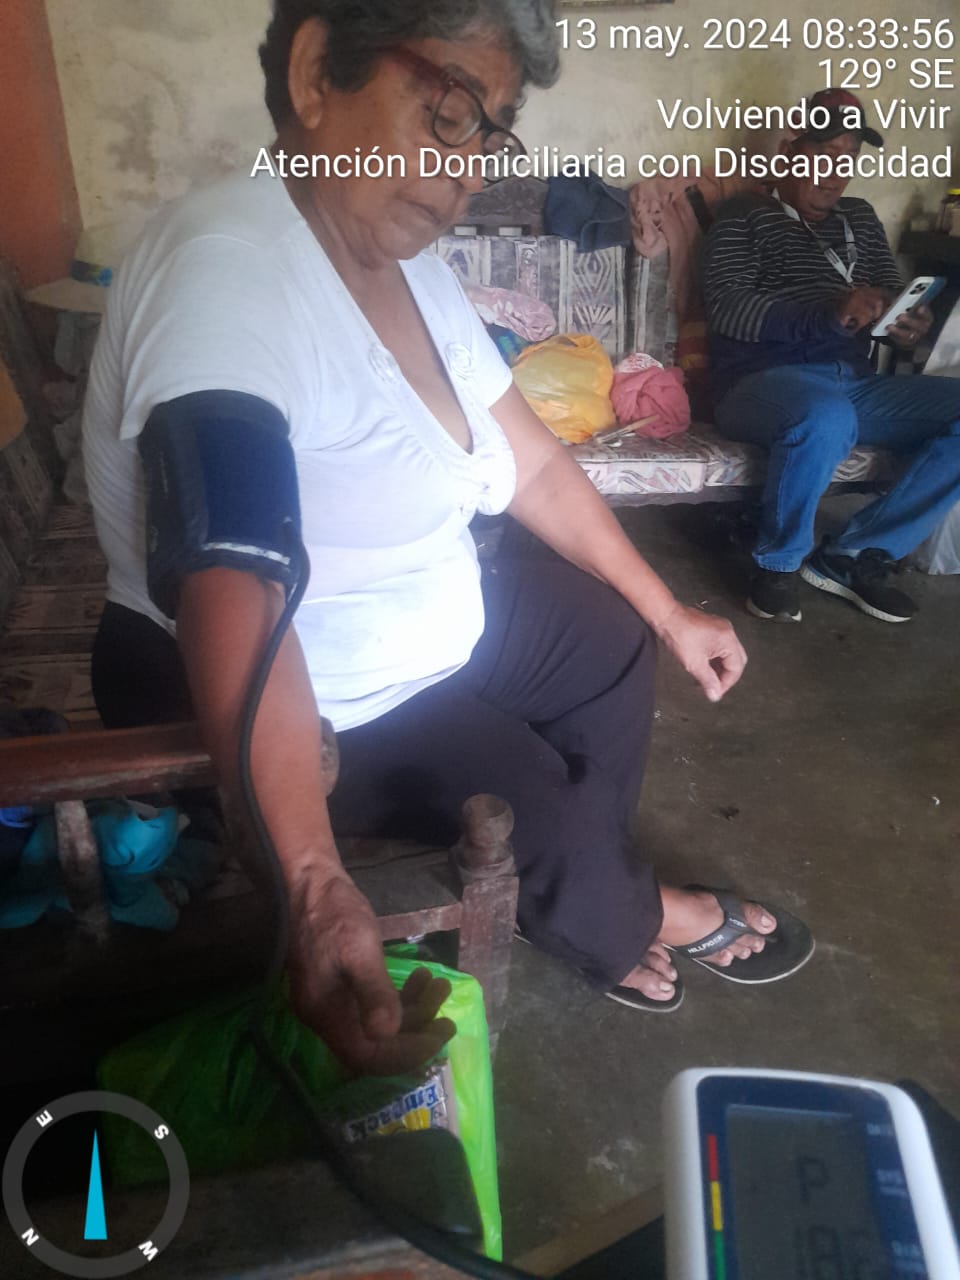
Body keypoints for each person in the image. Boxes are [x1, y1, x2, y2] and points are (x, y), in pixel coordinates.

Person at [83, 0, 812, 1074]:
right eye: (449, 111)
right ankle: (618, 912)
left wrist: (669, 611)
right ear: (316, 70)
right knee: (528, 793)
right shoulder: (227, 270)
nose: (468, 169)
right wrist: (314, 882)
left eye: (492, 130)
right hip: (309, 690)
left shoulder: (408, 262)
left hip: (418, 611)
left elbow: (534, 461)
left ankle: (586, 875)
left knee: (611, 635)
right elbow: (236, 578)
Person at [704, 89, 960, 624]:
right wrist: (828, 314)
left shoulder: (860, 220)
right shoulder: (743, 215)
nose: (835, 171)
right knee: (826, 415)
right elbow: (729, 310)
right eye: (824, 154)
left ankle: (853, 554)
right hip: (761, 382)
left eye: (848, 157)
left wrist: (905, 327)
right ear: (789, 150)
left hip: (855, 384)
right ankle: (778, 564)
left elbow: (888, 298)